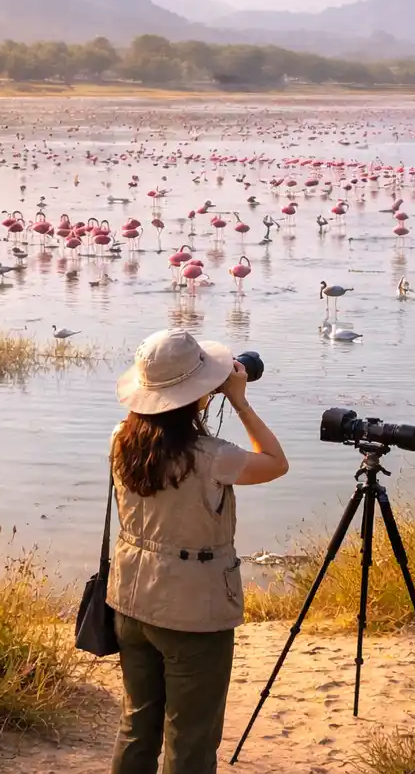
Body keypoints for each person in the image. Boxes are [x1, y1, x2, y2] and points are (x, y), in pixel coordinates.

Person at [106, 329, 289, 774]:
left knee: (136, 725)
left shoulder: (120, 439)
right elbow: (276, 462)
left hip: (130, 600)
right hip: (193, 610)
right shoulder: (214, 456)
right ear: (198, 394)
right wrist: (240, 400)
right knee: (191, 738)